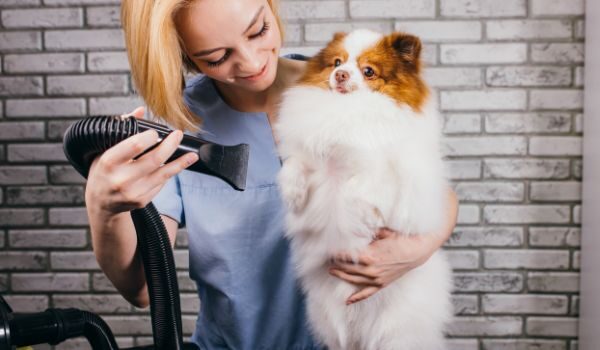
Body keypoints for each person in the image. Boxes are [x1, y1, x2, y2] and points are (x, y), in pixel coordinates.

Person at [84, 0, 459, 349]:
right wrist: (103, 208)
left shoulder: (343, 82)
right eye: (217, 57)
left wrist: (418, 248)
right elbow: (146, 288)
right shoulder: (178, 129)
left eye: (258, 30)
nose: (250, 62)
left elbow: (429, 184)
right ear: (184, 57)